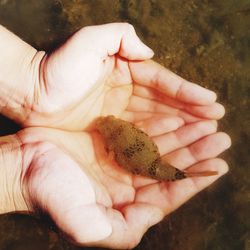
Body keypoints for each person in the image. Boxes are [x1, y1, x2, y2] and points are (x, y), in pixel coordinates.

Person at [0, 23, 231, 249]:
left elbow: (122, 147)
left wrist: (34, 83)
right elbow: (126, 144)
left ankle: (183, 173)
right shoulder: (119, 134)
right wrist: (17, 178)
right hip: (147, 160)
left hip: (149, 161)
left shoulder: (117, 136)